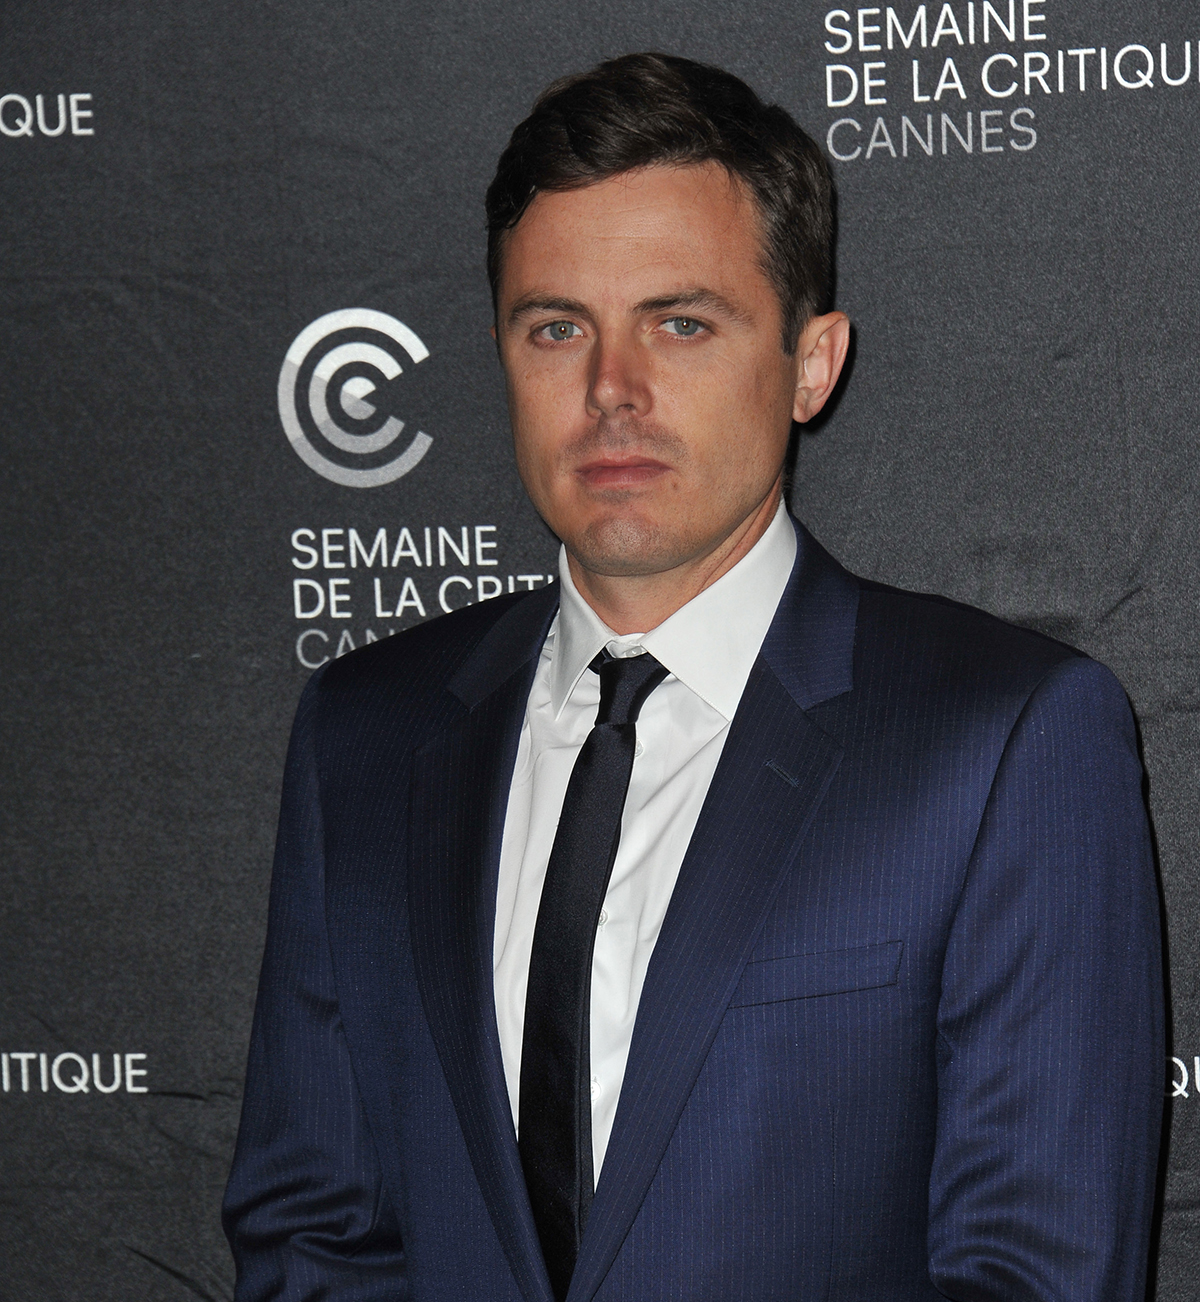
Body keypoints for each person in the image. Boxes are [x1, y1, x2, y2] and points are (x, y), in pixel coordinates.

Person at [223, 52, 1164, 1302]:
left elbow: (1038, 1272)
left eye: (681, 323)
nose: (611, 390)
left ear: (812, 363)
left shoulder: (1004, 743)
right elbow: (313, 1238)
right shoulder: (364, 735)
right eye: (557, 327)